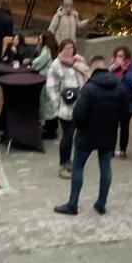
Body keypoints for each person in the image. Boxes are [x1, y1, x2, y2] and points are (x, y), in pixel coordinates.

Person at [55, 57, 126, 216]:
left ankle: (72, 204)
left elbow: (78, 114)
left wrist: (81, 127)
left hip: (87, 135)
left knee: (78, 167)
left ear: (92, 70)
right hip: (108, 134)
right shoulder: (119, 86)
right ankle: (101, 203)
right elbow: (124, 111)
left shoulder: (88, 89)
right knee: (106, 167)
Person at [44, 39, 91, 179]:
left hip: (81, 103)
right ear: (61, 49)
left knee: (80, 136)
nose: (69, 50)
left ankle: (73, 162)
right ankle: (63, 164)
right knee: (68, 136)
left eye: (71, 48)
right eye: (66, 48)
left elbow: (87, 76)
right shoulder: (56, 65)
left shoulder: (79, 62)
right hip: (65, 106)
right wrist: (57, 103)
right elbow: (51, 87)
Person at [109, 46, 132, 158]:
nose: (119, 59)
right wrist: (111, 69)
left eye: (121, 56)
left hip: (127, 103)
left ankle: (123, 150)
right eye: (117, 56)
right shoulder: (112, 68)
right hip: (113, 102)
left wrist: (124, 70)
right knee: (112, 127)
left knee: (124, 127)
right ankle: (110, 150)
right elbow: (106, 81)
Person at [30, 31, 60, 139]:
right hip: (53, 80)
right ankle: (52, 128)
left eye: (40, 38)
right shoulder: (53, 49)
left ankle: (50, 131)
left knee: (47, 106)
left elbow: (37, 63)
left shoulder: (46, 51)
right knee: (51, 105)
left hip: (47, 80)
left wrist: (30, 63)